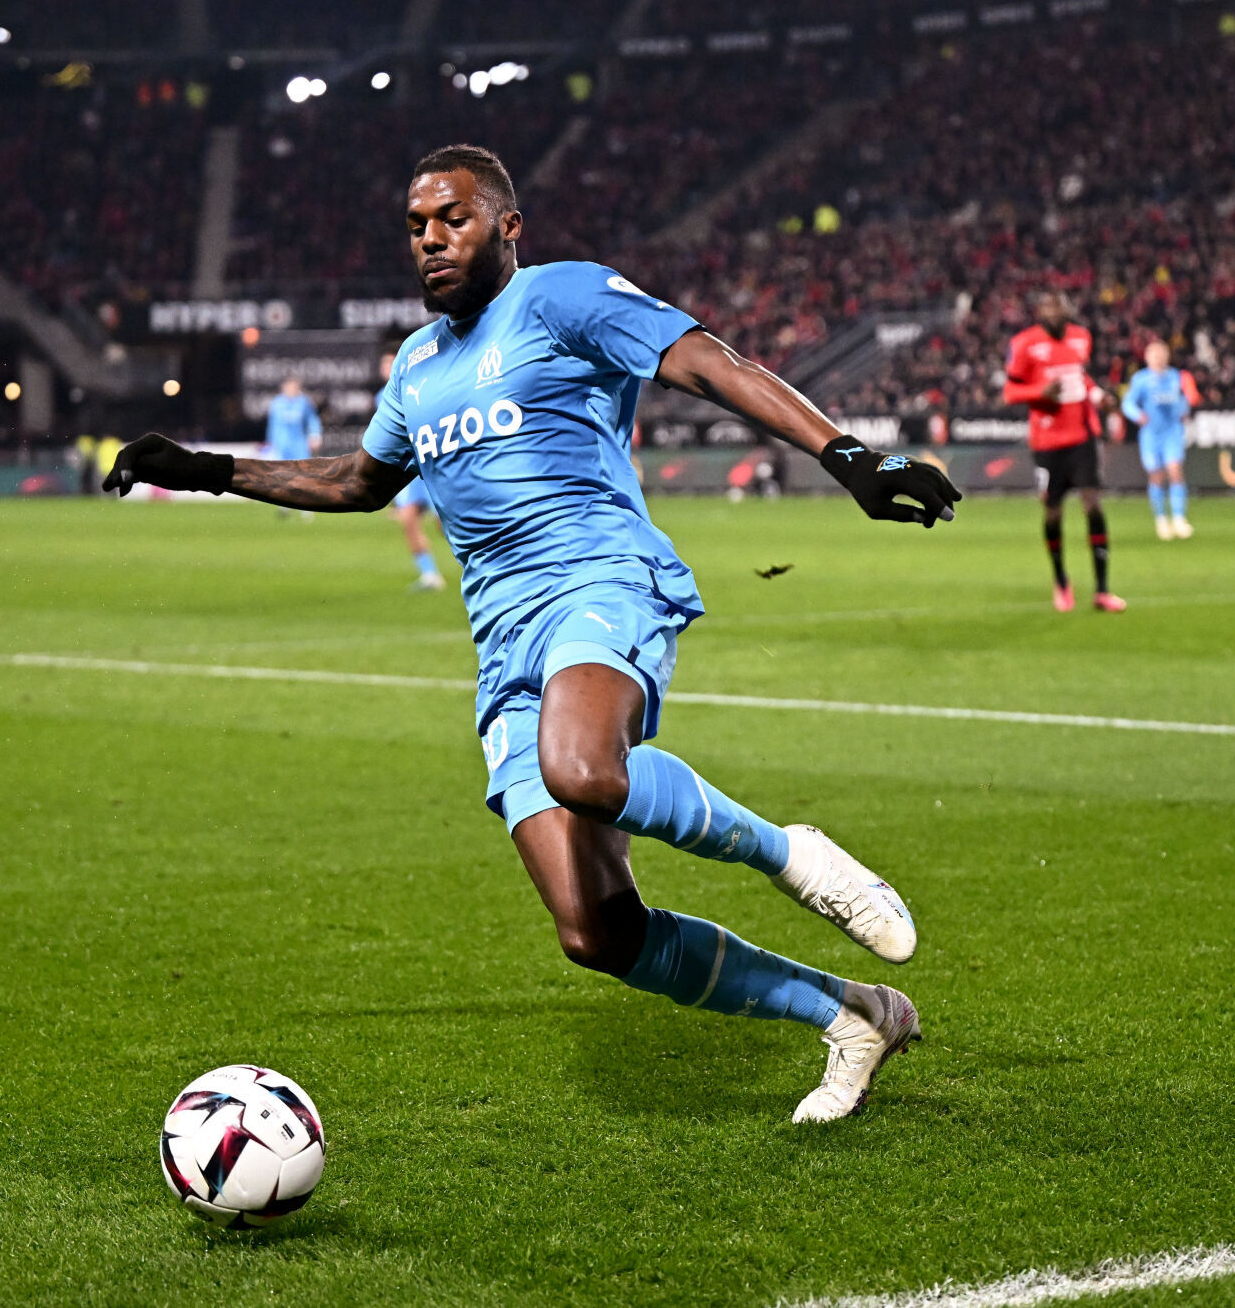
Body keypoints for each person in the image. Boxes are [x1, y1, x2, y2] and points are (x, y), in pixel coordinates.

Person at [104, 145, 962, 1123]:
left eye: (453, 219)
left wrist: (848, 457)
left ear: (507, 227)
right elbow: (356, 482)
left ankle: (788, 853)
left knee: (582, 768)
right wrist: (208, 469)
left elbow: (708, 362)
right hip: (504, 645)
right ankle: (852, 1014)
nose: (431, 240)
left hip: (600, 581)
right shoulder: (417, 365)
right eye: (417, 226)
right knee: (598, 932)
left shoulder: (561, 297)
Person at [1001, 292, 1124, 613]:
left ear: (1068, 311)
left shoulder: (1081, 337)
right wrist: (1039, 391)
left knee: (1093, 505)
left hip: (1082, 437)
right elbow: (1010, 391)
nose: (1054, 313)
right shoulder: (1024, 344)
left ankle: (1102, 590)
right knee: (1053, 513)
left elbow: (1080, 377)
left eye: (1060, 308)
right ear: (1040, 312)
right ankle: (1060, 580)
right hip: (1047, 442)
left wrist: (1098, 397)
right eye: (1048, 308)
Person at [376, 335, 447, 591]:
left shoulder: (421, 386)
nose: (386, 368)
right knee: (407, 518)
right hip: (408, 469)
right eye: (384, 363)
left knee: (445, 524)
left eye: (390, 363)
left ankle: (486, 563)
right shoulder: (381, 396)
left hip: (430, 462)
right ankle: (430, 575)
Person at [1120, 340, 1198, 541]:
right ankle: (1161, 520)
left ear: (1167, 357)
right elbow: (1128, 403)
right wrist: (1138, 415)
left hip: (1172, 432)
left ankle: (1179, 518)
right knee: (1156, 475)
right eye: (1154, 355)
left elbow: (1187, 399)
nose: (1158, 359)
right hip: (1151, 434)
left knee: (1175, 471)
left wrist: (1184, 409)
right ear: (1147, 358)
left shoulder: (1176, 377)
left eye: (1161, 355)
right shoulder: (1141, 379)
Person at [264, 376, 323, 522]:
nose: (292, 389)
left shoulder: (304, 402)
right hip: (282, 445)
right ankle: (285, 505)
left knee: (303, 475)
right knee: (283, 475)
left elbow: (312, 420)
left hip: (299, 444)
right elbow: (272, 425)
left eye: (294, 387)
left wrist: (315, 435)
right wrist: (270, 442)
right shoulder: (277, 403)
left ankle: (306, 508)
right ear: (284, 387)